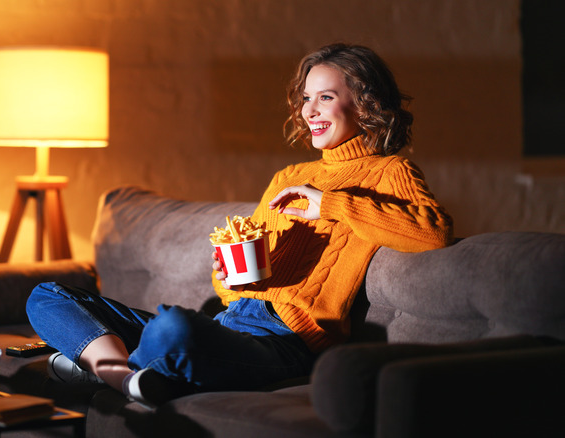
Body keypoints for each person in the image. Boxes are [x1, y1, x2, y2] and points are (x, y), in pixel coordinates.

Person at [25, 43, 453, 408]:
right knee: (47, 295)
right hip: (232, 322)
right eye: (306, 98)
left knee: (172, 328)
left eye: (325, 97)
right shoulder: (287, 178)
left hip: (286, 342)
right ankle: (124, 377)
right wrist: (230, 274)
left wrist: (331, 205)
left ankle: (98, 365)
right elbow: (234, 285)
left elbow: (432, 233)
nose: (310, 111)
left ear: (365, 103)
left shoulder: (390, 171)